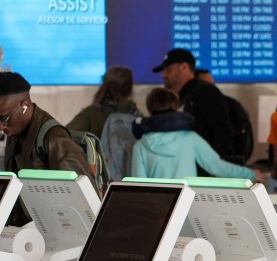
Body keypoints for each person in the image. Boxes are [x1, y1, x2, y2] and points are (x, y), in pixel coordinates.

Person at [131, 87, 261, 182]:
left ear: (149, 109)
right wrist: (250, 174)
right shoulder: (189, 138)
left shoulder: (140, 146)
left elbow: (138, 186)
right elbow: (217, 167)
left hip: (157, 209)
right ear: (177, 108)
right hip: (186, 206)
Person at [0, 72, 95, 188]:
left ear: (24, 106)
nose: (1, 127)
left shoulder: (54, 137)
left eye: (3, 118)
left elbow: (86, 193)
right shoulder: (14, 131)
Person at [151, 48, 239, 163]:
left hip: (206, 174)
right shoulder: (182, 97)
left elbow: (222, 130)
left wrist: (214, 167)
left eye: (168, 69)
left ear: (183, 67)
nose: (164, 75)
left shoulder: (203, 91)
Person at [66, 66, 140, 136]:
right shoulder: (136, 114)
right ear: (130, 89)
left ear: (105, 86)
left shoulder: (92, 113)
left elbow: (65, 135)